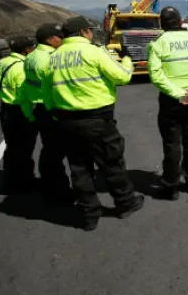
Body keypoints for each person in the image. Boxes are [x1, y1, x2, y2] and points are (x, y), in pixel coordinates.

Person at [44, 16, 144, 231]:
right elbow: (122, 77)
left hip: (67, 121)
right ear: (82, 32)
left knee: (80, 168)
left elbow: (47, 94)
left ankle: (89, 214)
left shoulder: (53, 58)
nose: (91, 33)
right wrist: (127, 60)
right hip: (98, 119)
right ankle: (125, 203)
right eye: (89, 30)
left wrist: (57, 115)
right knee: (111, 163)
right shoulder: (94, 52)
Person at [147, 6, 188, 201]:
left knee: (172, 145)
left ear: (162, 24)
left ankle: (171, 187)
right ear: (180, 22)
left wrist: (178, 94)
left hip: (171, 102)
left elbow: (156, 75)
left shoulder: (158, 44)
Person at [20, 23, 73, 205]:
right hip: (50, 108)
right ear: (49, 39)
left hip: (40, 108)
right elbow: (54, 86)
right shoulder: (47, 59)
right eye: (59, 36)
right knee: (55, 153)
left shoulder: (32, 56)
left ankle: (50, 187)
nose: (62, 39)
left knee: (50, 151)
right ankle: (58, 192)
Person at [0, 36, 37, 194]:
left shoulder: (2, 63)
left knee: (11, 147)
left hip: (6, 110)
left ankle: (10, 181)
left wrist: (4, 96)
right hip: (20, 112)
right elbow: (24, 96)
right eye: (32, 47)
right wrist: (30, 116)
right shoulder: (23, 67)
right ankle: (25, 183)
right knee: (25, 149)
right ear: (26, 50)